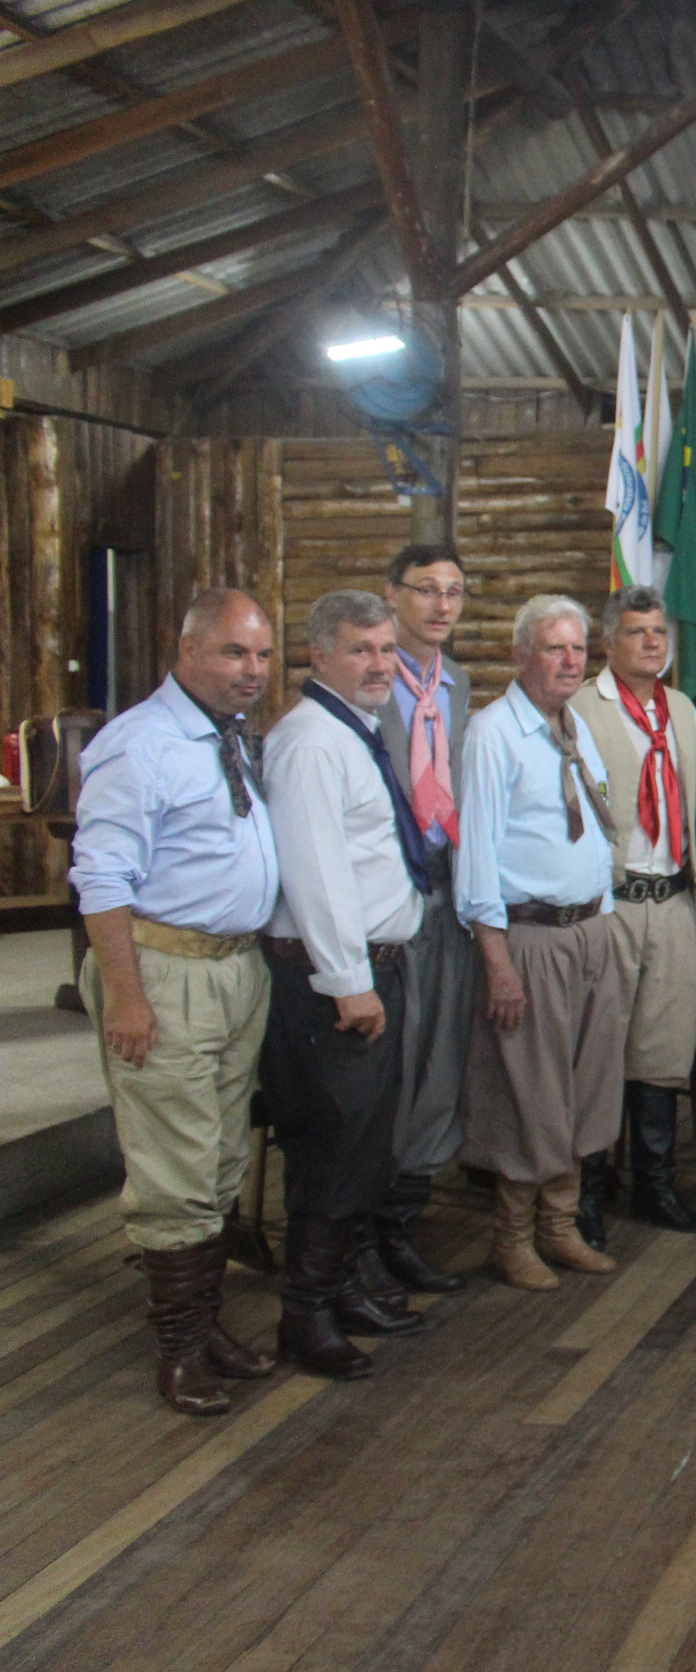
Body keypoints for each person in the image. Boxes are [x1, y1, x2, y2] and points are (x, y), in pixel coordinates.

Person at [69, 588, 282, 1415]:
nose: (252, 671)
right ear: (186, 648)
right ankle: (180, 1352)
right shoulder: (141, 745)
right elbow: (100, 880)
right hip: (163, 974)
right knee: (175, 1170)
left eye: (262, 655)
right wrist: (125, 997)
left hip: (234, 971)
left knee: (223, 1159)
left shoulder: (230, 738)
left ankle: (209, 1327)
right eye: (235, 653)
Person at [258, 591, 427, 1378]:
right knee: (329, 1150)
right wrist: (349, 982)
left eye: (387, 650)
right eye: (360, 649)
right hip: (334, 986)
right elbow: (317, 874)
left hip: (371, 972)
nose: (378, 665)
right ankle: (306, 1315)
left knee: (363, 1148)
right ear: (317, 655)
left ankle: (345, 1288)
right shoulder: (309, 743)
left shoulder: (352, 733)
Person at [455, 594, 628, 1290]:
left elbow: (597, 831)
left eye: (578, 649)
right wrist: (498, 965)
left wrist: (606, 918)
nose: (568, 661)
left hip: (588, 931)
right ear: (521, 654)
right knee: (529, 1090)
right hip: (529, 938)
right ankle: (513, 1235)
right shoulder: (493, 735)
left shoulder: (575, 729)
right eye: (554, 648)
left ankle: (561, 1225)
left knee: (584, 1087)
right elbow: (476, 862)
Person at [569, 586, 696, 1239]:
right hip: (612, 904)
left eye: (660, 632)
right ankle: (586, 1195)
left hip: (675, 898)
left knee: (662, 1051)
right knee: (599, 1051)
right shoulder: (580, 711)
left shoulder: (682, 709)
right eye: (637, 632)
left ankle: (655, 1183)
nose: (652, 642)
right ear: (608, 642)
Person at [371, 544, 475, 1299]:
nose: (441, 605)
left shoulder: (460, 686)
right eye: (426, 591)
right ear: (392, 595)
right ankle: (363, 1228)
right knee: (389, 1066)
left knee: (440, 1057)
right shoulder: (371, 687)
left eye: (454, 593)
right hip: (385, 897)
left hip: (447, 889)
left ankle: (404, 1220)